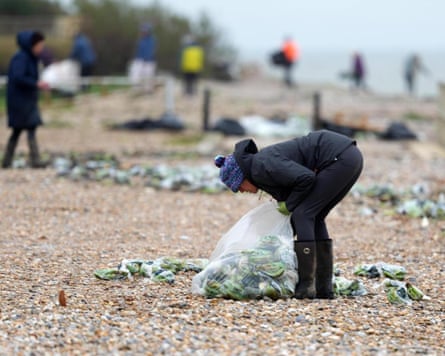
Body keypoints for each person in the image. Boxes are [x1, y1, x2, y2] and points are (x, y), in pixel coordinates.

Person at [214, 130, 363, 299]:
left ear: (242, 177)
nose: (240, 191)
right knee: (314, 215)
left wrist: (289, 204)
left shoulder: (261, 166)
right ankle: (323, 288)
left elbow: (306, 179)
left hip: (338, 158)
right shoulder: (260, 169)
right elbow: (295, 182)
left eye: (238, 187)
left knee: (303, 214)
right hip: (349, 157)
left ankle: (307, 286)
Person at [2, 30, 50, 169]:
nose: (41, 49)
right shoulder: (21, 58)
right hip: (19, 101)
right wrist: (35, 83)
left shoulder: (31, 58)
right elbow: (18, 77)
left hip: (27, 99)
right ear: (31, 45)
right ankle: (13, 160)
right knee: (21, 129)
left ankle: (12, 160)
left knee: (29, 128)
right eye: (39, 45)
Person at [132, 23, 156, 93]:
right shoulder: (140, 40)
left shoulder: (152, 40)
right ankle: (136, 89)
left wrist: (147, 59)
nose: (143, 32)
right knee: (135, 73)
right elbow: (138, 51)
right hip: (140, 60)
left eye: (144, 31)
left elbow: (150, 51)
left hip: (149, 61)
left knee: (148, 76)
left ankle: (148, 91)